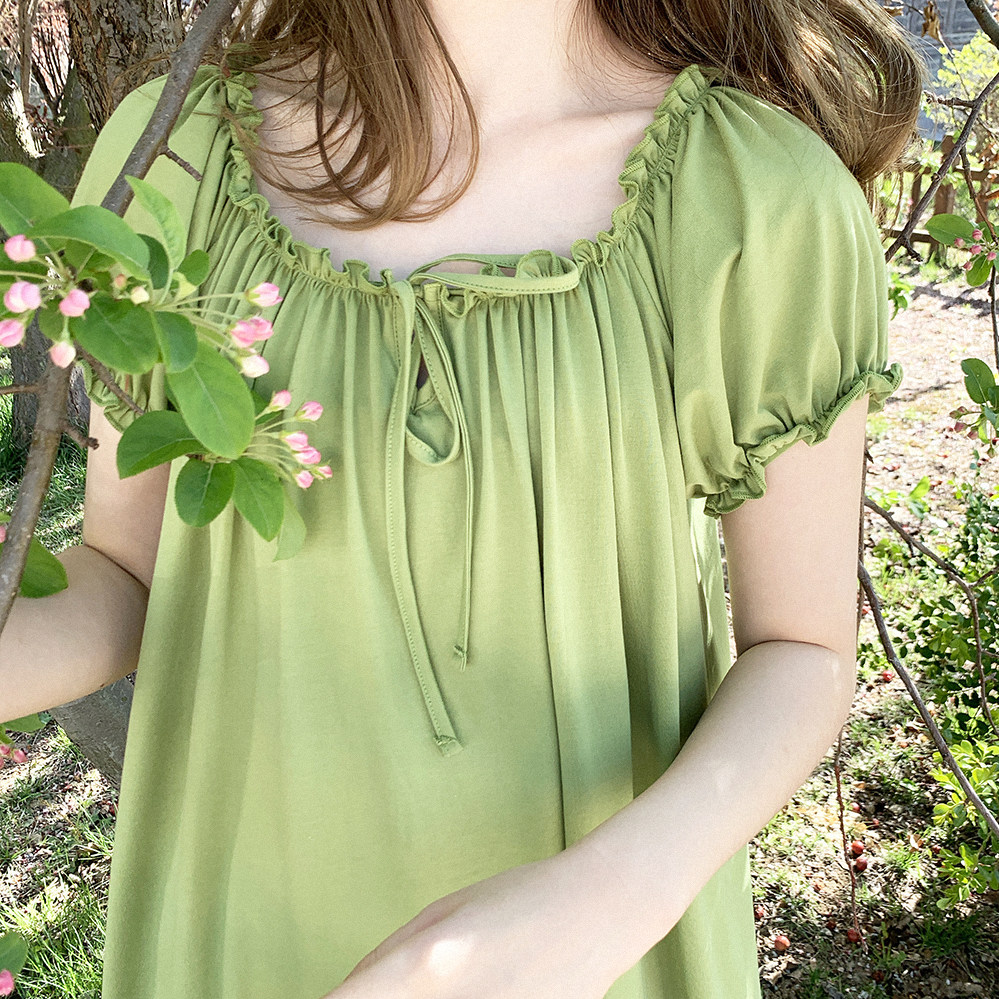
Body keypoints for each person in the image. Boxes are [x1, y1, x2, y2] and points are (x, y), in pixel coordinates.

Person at [1, 1, 924, 996]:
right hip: (236, 922)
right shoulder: (175, 159)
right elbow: (126, 574)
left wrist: (610, 899)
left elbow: (803, 649)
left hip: (595, 951)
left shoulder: (753, 198)